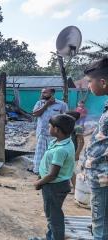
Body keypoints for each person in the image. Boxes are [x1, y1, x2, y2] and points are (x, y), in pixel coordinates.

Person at [31, 114, 75, 240]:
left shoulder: (61, 150)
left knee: (54, 217)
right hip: (55, 185)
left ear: (57, 129)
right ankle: (50, 237)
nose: (48, 128)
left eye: (50, 126)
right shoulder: (60, 142)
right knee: (52, 214)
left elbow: (52, 174)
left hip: (54, 186)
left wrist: (38, 182)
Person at [82, 57, 108, 239]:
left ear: (103, 82)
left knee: (100, 226)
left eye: (90, 81)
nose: (89, 86)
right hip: (100, 176)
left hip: (103, 177)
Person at [31, 88, 68, 175]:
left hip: (55, 134)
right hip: (42, 133)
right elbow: (35, 114)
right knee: (40, 153)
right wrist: (46, 105)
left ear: (52, 93)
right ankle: (38, 171)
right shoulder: (39, 103)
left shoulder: (61, 104)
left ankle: (51, 172)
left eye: (45, 92)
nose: (42, 94)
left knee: (53, 153)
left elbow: (65, 118)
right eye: (42, 92)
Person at [65, 111, 85, 194]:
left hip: (73, 153)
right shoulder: (69, 127)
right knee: (67, 170)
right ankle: (69, 187)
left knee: (72, 171)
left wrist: (77, 153)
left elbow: (81, 142)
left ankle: (76, 189)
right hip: (68, 152)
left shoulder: (77, 128)